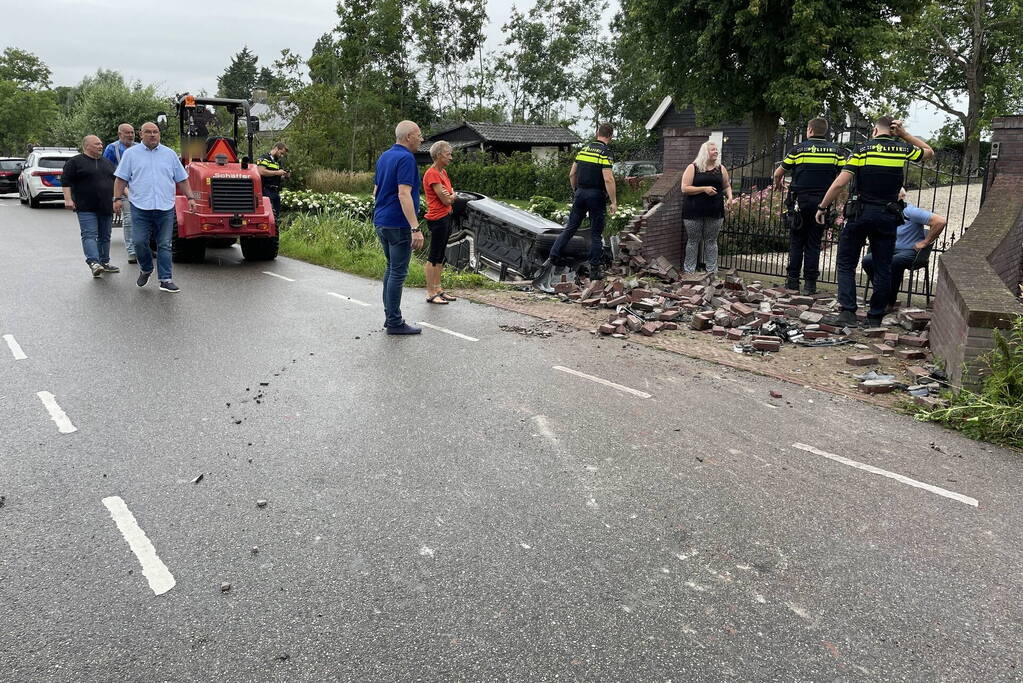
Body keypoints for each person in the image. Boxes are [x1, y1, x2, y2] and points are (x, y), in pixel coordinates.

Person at [815, 116, 933, 326]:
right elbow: (929, 152)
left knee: (846, 263)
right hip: (888, 216)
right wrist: (905, 135)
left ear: (874, 130)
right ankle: (875, 317)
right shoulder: (902, 149)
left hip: (861, 214)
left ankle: (848, 313)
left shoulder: (862, 150)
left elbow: (840, 183)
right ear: (893, 130)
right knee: (883, 266)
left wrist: (822, 207)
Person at [113, 121, 197, 294]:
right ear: (141, 134)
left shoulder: (169, 154)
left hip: (165, 206)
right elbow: (121, 179)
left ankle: (165, 279)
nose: (152, 135)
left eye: (156, 132)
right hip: (140, 206)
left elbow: (182, 178)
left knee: (165, 244)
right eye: (148, 132)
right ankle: (146, 268)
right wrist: (117, 199)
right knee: (139, 242)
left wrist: (190, 197)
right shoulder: (131, 154)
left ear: (159, 134)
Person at [534, 124, 617, 290]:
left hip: (580, 193)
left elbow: (572, 173)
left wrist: (576, 191)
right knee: (595, 233)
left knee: (570, 228)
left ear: (596, 133)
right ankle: (594, 271)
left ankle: (552, 258)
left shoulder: (584, 149)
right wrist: (614, 201)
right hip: (596, 195)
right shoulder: (605, 153)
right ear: (611, 136)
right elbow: (608, 179)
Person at [773, 118, 846, 294]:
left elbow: (779, 172)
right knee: (814, 243)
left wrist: (778, 183)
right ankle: (810, 285)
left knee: (797, 241)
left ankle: (792, 282)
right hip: (822, 203)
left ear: (810, 130)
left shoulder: (798, 149)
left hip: (800, 202)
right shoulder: (836, 152)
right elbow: (844, 176)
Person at [372, 120, 425, 335]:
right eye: (419, 135)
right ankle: (394, 322)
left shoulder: (385, 156)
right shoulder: (406, 159)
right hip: (398, 223)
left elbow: (376, 191)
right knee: (398, 272)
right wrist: (415, 227)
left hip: (382, 221)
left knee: (390, 269)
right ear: (409, 136)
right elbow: (404, 194)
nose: (421, 139)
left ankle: (390, 317)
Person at [861, 188, 946, 311]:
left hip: (909, 251)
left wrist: (924, 242)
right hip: (888, 248)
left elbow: (940, 221)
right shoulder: (883, 210)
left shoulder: (910, 211)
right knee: (867, 261)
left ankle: (888, 301)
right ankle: (883, 294)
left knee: (895, 262)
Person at [62, 135, 119, 277]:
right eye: (97, 144)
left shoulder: (107, 163)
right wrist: (68, 199)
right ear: (86, 146)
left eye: (101, 143)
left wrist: (125, 196)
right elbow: (66, 182)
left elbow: (118, 181)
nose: (101, 146)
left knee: (105, 236)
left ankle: (104, 262)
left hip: (105, 205)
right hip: (85, 206)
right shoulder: (75, 162)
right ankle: (94, 262)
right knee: (89, 234)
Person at [681, 140, 733, 274]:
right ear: (705, 152)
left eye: (717, 150)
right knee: (693, 241)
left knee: (711, 241)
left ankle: (712, 272)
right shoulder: (693, 167)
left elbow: (726, 186)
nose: (716, 151)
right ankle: (689, 271)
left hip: (715, 211)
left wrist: (730, 198)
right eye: (713, 150)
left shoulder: (721, 168)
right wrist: (704, 189)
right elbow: (684, 188)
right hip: (693, 211)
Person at [422, 140, 458, 305]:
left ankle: (438, 288)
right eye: (448, 154)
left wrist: (450, 196)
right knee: (434, 255)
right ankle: (430, 292)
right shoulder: (433, 174)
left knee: (441, 256)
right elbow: (445, 198)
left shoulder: (442, 173)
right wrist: (451, 197)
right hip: (438, 218)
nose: (451, 157)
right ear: (438, 155)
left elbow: (449, 194)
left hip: (446, 216)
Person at [103, 123, 137, 263]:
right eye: (127, 133)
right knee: (129, 218)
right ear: (119, 134)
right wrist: (121, 192)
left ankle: (143, 247)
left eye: (132, 132)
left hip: (139, 189)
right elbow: (109, 171)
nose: (130, 135)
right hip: (122, 189)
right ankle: (131, 251)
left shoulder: (139, 148)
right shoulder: (112, 149)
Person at [256, 142, 289, 222]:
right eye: (281, 153)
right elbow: (261, 171)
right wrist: (277, 172)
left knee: (276, 215)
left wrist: (284, 176)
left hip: (275, 190)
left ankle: (275, 232)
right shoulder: (264, 158)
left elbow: (276, 176)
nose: (281, 156)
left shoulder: (277, 162)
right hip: (265, 189)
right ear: (277, 149)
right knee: (269, 213)